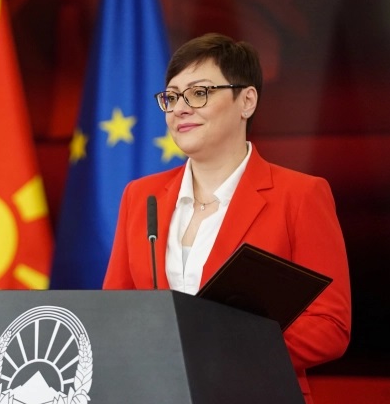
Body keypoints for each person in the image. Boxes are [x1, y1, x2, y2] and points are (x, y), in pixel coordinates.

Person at [103, 33, 351, 403]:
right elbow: (115, 313)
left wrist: (221, 352)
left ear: (246, 101)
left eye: (199, 93)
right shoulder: (141, 196)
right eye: (172, 97)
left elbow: (330, 326)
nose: (180, 109)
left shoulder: (299, 196)